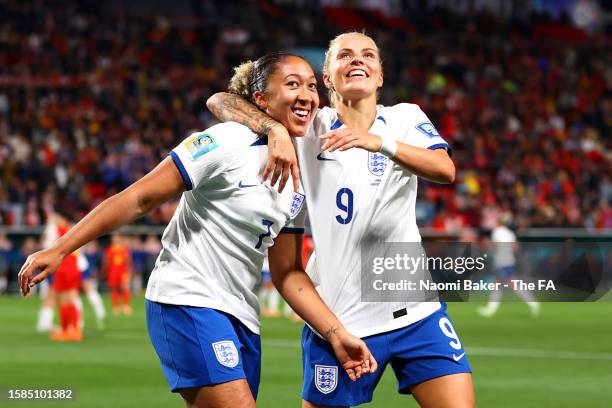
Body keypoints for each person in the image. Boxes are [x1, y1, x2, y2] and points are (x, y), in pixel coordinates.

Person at [19, 51, 376, 408]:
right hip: (187, 298)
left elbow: (287, 273)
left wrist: (336, 333)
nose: (307, 95)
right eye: (292, 84)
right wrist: (61, 248)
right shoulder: (224, 141)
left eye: (312, 86)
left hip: (242, 315)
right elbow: (139, 198)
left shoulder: (298, 177)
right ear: (261, 99)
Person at [207, 32, 474, 407]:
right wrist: (274, 128)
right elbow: (220, 100)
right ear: (328, 78)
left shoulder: (404, 119)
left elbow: (445, 169)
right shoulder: (309, 128)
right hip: (342, 319)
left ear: (380, 75)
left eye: (368, 55)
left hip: (417, 312)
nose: (357, 60)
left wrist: (377, 142)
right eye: (344, 55)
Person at [478, 214, 541, 317]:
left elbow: (496, 245)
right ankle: (491, 309)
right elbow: (515, 246)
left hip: (502, 261)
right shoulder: (509, 233)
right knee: (501, 285)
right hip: (509, 261)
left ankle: (533, 303)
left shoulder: (497, 232)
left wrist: (487, 245)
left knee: (506, 284)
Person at [103, 234, 133, 315]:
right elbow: (106, 261)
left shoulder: (124, 249)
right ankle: (115, 307)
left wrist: (129, 271)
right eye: (113, 239)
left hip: (122, 271)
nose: (115, 240)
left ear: (120, 239)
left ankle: (126, 306)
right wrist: (105, 271)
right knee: (114, 288)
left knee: (125, 287)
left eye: (116, 238)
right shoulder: (109, 249)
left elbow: (128, 261)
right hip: (113, 271)